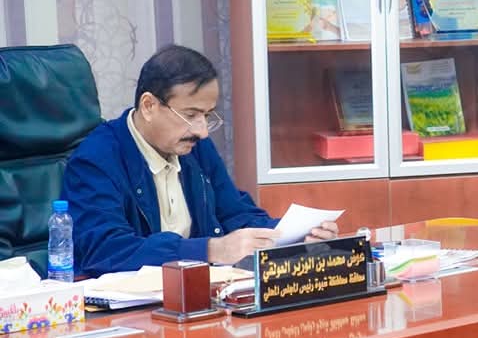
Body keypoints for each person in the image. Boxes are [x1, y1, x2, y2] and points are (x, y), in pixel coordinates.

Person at [62, 44, 339, 276]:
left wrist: (291, 236)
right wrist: (210, 250)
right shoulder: (96, 160)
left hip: (201, 296)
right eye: (191, 115)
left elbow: (235, 214)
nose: (202, 131)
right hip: (128, 312)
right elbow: (105, 250)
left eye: (207, 115)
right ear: (149, 106)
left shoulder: (195, 147)